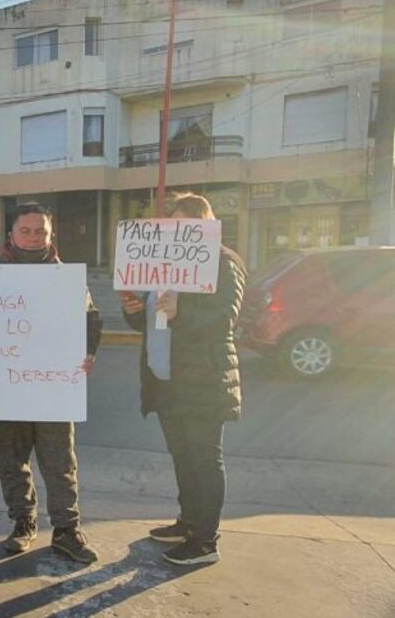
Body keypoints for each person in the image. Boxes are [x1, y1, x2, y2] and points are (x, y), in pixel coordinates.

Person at [0, 202, 103, 563]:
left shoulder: (67, 277)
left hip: (53, 390)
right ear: (11, 235)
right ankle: (23, 522)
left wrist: (89, 351)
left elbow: (91, 318)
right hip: (5, 388)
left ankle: (66, 530)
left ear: (51, 236)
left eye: (41, 232)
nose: (34, 238)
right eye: (27, 231)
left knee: (59, 462)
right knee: (11, 460)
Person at [119, 192, 247, 566]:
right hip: (165, 378)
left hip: (205, 379)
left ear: (202, 223)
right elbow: (151, 320)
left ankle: (205, 541)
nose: (175, 232)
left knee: (205, 460)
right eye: (172, 225)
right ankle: (188, 522)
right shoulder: (162, 264)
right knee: (183, 457)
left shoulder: (224, 261)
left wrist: (182, 309)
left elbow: (227, 315)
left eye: (181, 225)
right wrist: (132, 310)